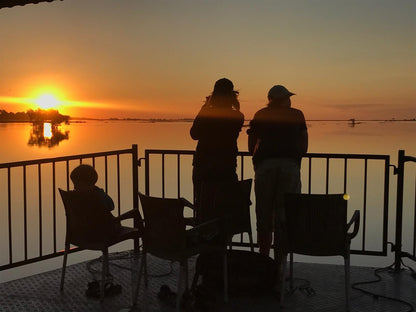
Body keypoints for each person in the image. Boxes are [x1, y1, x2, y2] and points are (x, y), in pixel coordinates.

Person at [247, 85, 308, 257]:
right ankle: (280, 262)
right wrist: (297, 159)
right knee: (285, 214)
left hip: (265, 167)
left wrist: (256, 160)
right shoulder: (297, 114)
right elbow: (304, 142)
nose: (290, 100)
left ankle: (263, 257)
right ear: (283, 99)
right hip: (289, 166)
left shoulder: (261, 114)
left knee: (263, 213)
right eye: (288, 97)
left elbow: (252, 140)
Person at [190, 78, 245, 224]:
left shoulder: (206, 113)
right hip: (226, 167)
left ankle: (205, 240)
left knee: (203, 207)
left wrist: (205, 108)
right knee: (225, 209)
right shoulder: (238, 116)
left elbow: (193, 134)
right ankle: (222, 242)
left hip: (203, 167)